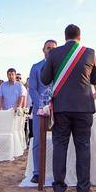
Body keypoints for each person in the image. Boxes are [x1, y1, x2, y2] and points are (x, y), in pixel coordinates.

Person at [41, 23, 96, 192]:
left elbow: (45, 79)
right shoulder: (89, 52)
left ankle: (58, 190)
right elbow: (95, 79)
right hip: (84, 108)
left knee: (60, 147)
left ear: (65, 36)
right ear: (79, 37)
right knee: (83, 147)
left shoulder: (54, 53)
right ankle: (83, 190)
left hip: (62, 108)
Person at [28, 39, 57, 183]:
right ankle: (37, 172)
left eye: (53, 48)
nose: (50, 50)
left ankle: (58, 172)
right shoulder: (35, 67)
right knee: (38, 140)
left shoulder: (60, 68)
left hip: (58, 109)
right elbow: (32, 88)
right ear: (43, 50)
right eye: (48, 48)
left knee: (59, 140)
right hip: (40, 108)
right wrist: (41, 105)